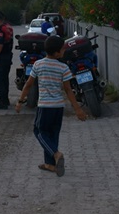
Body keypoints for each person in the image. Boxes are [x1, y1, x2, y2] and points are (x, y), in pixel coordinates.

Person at [15, 35, 86, 176]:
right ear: (57, 52)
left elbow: (28, 84)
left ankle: (56, 154)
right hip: (58, 107)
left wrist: (20, 101)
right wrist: (77, 109)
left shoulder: (38, 64)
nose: (64, 51)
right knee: (52, 135)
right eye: (63, 49)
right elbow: (68, 90)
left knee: (39, 131)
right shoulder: (63, 67)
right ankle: (50, 165)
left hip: (45, 106)